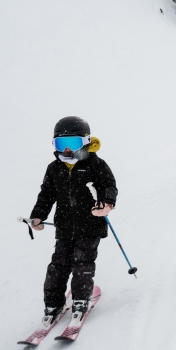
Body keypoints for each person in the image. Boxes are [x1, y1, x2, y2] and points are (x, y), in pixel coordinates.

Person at [28, 116, 118, 329]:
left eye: (74, 143)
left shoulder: (96, 164)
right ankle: (52, 305)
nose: (67, 149)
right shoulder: (54, 168)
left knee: (82, 263)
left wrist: (106, 204)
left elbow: (108, 186)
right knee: (58, 265)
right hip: (65, 227)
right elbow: (46, 194)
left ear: (86, 141)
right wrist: (38, 215)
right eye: (61, 143)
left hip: (90, 225)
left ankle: (80, 301)